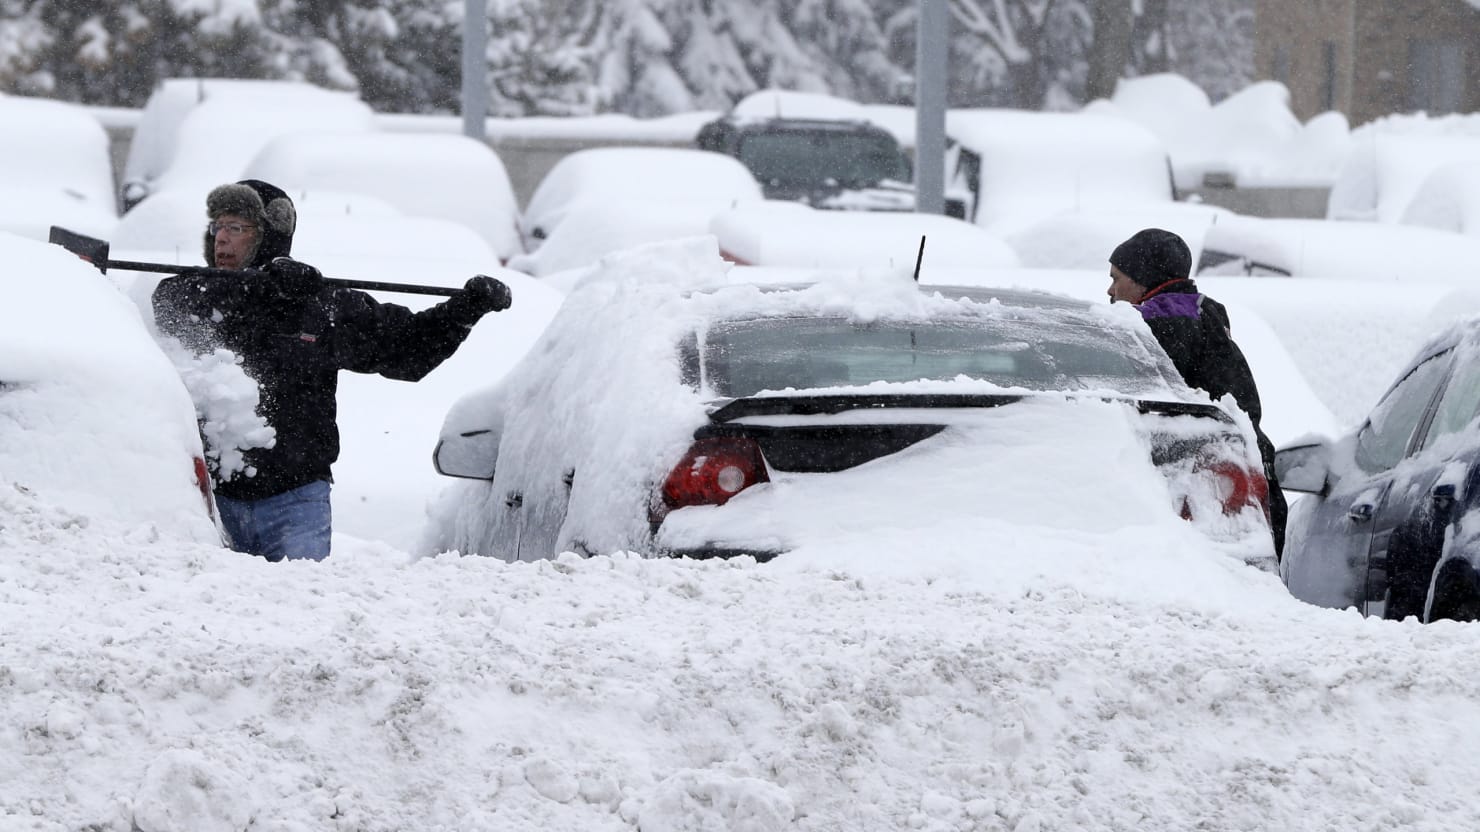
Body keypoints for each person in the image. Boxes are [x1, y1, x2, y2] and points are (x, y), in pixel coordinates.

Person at [152, 178, 511, 562]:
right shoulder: (196, 296)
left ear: (270, 235)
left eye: (237, 228)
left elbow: (408, 350)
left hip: (297, 504)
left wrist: (464, 311)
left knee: (299, 608)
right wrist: (259, 288)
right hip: (209, 501)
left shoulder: (317, 307)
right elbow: (164, 302)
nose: (222, 239)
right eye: (217, 227)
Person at [1106, 227, 1287, 558]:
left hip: (1203, 481)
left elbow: (1149, 403)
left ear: (1143, 278)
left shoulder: (1161, 321)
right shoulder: (1203, 315)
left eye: (1117, 278)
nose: (1110, 289)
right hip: (1247, 463)